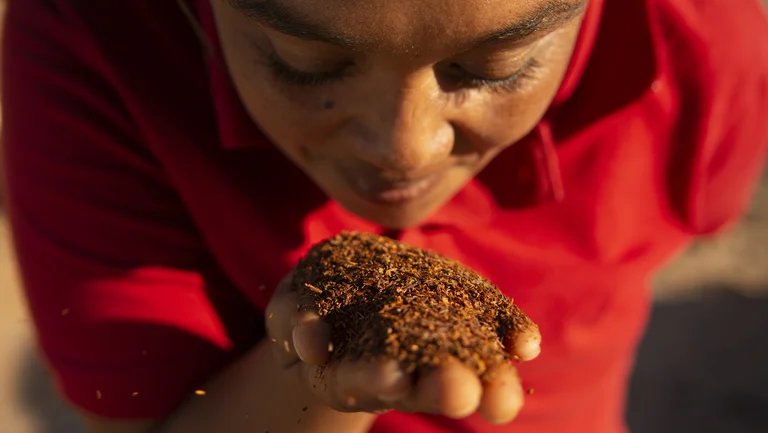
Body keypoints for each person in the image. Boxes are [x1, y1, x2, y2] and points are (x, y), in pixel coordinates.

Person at [2, 0, 767, 432]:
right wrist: (320, 376)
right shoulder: (93, 40)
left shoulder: (703, 52)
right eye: (305, 64)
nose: (404, 149)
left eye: (496, 66)